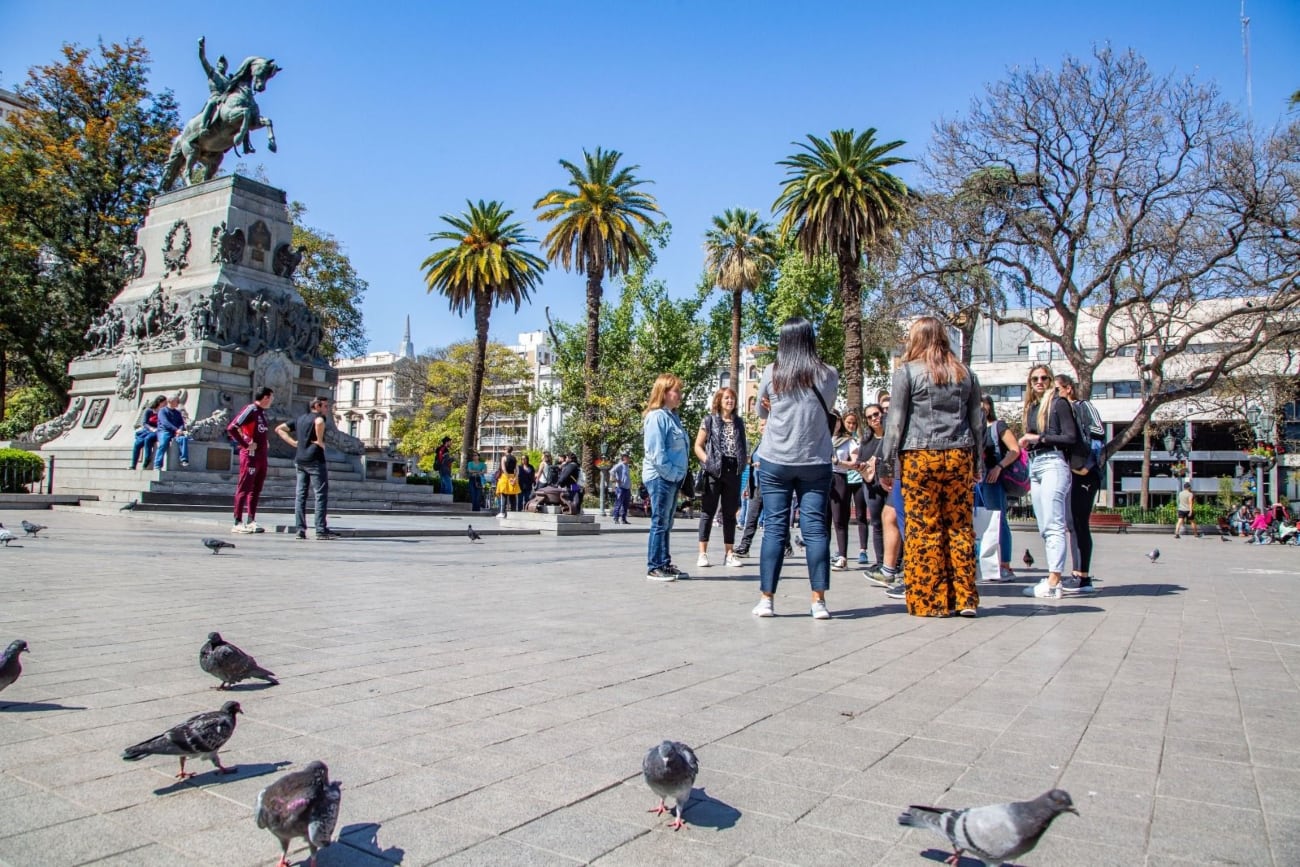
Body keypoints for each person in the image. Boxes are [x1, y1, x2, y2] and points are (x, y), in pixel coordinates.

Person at [878, 316, 985, 618]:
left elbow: (895, 422)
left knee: (923, 527)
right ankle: (964, 597)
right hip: (959, 455)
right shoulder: (966, 374)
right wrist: (977, 460)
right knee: (960, 527)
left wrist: (886, 464)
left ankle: (931, 600)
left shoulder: (907, 373)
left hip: (919, 456)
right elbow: (978, 423)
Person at [752, 317, 838, 619]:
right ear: (809, 338)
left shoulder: (772, 373)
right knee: (815, 530)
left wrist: (772, 408)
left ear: (784, 341)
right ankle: (818, 601)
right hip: (815, 459)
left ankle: (767, 600)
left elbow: (759, 408)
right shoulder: (829, 374)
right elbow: (827, 407)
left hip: (776, 459)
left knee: (775, 529)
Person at [1018, 365, 1080, 599]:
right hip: (1036, 464)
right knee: (1044, 525)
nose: (1039, 382)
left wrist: (1039, 437)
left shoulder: (1059, 403)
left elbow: (1070, 437)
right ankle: (1053, 577)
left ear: (1051, 380)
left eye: (1044, 378)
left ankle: (1055, 579)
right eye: (1035, 378)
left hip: (1054, 461)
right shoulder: (1033, 407)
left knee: (1054, 523)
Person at [1057, 374, 1102, 593]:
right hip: (1069, 472)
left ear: (1069, 389)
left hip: (1085, 472)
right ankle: (1077, 573)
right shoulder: (1059, 412)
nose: (1055, 394)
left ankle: (1083, 576)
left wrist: (1089, 464)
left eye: (1058, 389)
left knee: (1079, 522)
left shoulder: (1084, 407)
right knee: (1071, 522)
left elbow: (1098, 434)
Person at [693, 387, 748, 568]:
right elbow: (698, 446)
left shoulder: (739, 422)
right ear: (719, 400)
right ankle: (703, 554)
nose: (730, 401)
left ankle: (729, 554)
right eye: (726, 398)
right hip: (714, 469)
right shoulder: (709, 420)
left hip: (734, 470)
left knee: (730, 513)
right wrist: (708, 462)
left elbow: (741, 445)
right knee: (708, 511)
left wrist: (742, 464)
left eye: (732, 398)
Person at [643, 374, 690, 581]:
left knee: (667, 522)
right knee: (660, 521)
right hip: (661, 477)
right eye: (676, 391)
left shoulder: (673, 417)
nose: (680, 395)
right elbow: (656, 454)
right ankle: (655, 566)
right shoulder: (656, 417)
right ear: (664, 392)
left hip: (672, 477)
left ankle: (664, 562)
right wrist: (672, 474)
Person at [275, 396, 338, 540]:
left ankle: (300, 529)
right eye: (325, 406)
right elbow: (320, 421)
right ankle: (320, 529)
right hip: (315, 460)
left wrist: (293, 442)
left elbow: (279, 429)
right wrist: (320, 441)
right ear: (317, 406)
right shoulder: (319, 418)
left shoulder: (300, 419)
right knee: (320, 495)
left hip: (300, 460)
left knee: (301, 495)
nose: (327, 409)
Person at [977, 395, 1021, 582]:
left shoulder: (997, 426)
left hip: (994, 479)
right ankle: (985, 564)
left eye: (983, 403)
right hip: (977, 480)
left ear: (989, 406)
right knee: (981, 523)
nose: (980, 406)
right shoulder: (973, 428)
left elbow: (1015, 450)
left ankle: (1005, 565)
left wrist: (999, 467)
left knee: (998, 521)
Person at [225, 387, 274, 534]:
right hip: (250, 455)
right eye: (271, 397)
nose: (272, 400)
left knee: (256, 489)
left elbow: (259, 432)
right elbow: (232, 427)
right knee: (244, 487)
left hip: (261, 456)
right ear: (265, 397)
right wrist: (245, 444)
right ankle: (237, 521)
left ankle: (251, 519)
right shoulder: (251, 409)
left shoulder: (262, 414)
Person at [829, 412, 864, 571]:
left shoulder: (848, 440)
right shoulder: (824, 438)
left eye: (837, 421)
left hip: (839, 478)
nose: (835, 424)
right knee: (823, 519)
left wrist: (839, 461)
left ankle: (843, 556)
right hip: (823, 478)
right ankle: (823, 554)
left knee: (839, 520)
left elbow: (855, 462)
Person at [858, 404, 887, 568]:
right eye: (870, 417)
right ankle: (880, 562)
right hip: (871, 485)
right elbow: (861, 460)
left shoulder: (892, 436)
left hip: (890, 484)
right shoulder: (867, 441)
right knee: (876, 524)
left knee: (892, 522)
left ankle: (896, 562)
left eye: (876, 414)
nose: (874, 418)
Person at [154, 393, 191, 469]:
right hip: (164, 431)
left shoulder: (177, 412)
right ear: (171, 401)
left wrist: (180, 429)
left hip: (175, 432)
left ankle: (184, 459)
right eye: (177, 401)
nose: (178, 403)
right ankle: (157, 464)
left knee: (183, 439)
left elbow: (181, 423)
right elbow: (165, 423)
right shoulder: (162, 411)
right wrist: (176, 429)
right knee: (163, 443)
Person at [129, 395, 166, 470]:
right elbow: (144, 423)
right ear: (159, 402)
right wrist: (151, 428)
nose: (165, 404)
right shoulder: (149, 411)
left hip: (157, 431)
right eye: (164, 403)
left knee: (148, 439)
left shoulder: (163, 412)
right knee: (137, 443)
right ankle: (133, 465)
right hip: (148, 430)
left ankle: (147, 458)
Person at [496, 446, 521, 517]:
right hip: (513, 477)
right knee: (513, 496)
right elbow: (517, 470)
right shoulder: (515, 458)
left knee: (503, 495)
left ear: (506, 450)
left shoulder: (503, 458)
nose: (504, 451)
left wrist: (509, 478)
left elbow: (503, 469)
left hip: (505, 477)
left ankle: (502, 512)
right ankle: (513, 513)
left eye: (504, 449)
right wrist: (514, 478)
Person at [610, 453, 632, 524]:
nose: (629, 459)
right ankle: (616, 518)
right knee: (618, 503)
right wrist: (616, 480)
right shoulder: (620, 465)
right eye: (628, 457)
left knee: (625, 505)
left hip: (627, 488)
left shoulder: (627, 466)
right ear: (624, 458)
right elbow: (611, 471)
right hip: (620, 488)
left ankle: (623, 519)